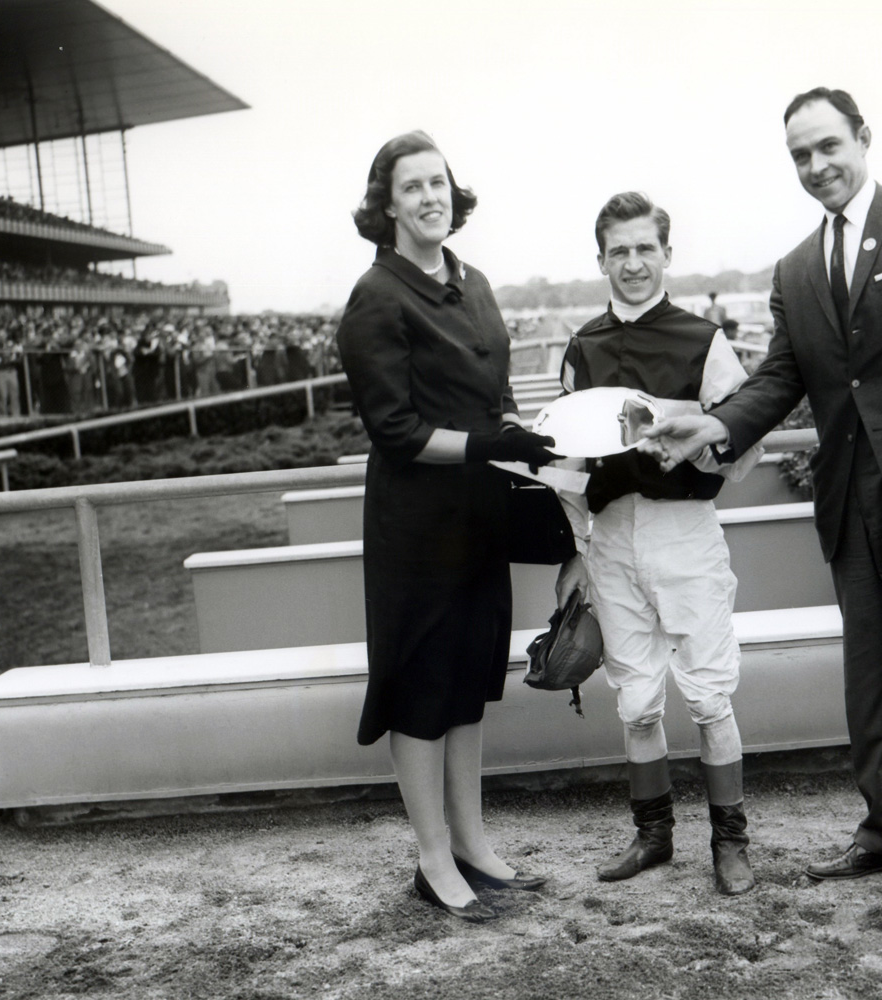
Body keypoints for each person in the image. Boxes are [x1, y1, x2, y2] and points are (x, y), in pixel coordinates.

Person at [643, 88, 882, 914]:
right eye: (800, 156)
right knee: (872, 678)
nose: (816, 167)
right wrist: (711, 425)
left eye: (827, 147)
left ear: (863, 138)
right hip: (849, 501)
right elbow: (782, 377)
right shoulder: (797, 270)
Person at [335, 130, 560, 923]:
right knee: (422, 687)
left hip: (479, 512)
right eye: (412, 188)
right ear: (386, 206)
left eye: (440, 182)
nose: (431, 197)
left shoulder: (475, 282)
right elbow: (395, 432)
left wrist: (522, 432)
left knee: (468, 680)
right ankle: (432, 859)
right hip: (416, 521)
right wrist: (489, 442)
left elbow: (491, 396)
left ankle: (472, 841)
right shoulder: (377, 296)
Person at [554, 192, 761, 896]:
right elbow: (568, 465)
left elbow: (743, 449)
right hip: (612, 534)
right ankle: (653, 835)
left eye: (646, 249)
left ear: (667, 254)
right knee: (637, 699)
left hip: (684, 531)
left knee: (707, 696)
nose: (633, 263)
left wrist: (696, 449)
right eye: (620, 251)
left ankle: (729, 841)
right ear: (601, 259)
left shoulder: (704, 340)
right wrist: (572, 540)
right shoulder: (582, 347)